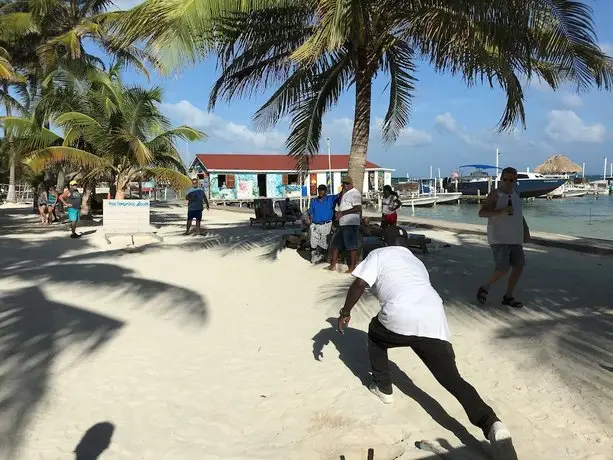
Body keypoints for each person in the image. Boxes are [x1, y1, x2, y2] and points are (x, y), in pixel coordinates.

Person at [336, 225, 515, 459]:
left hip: (399, 317)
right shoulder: (416, 262)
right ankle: (492, 424)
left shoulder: (378, 254)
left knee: (375, 334)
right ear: (406, 242)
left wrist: (345, 312)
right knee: (452, 379)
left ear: (384, 241)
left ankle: (383, 387)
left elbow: (360, 284)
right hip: (434, 319)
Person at [477, 166, 530, 308]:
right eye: (505, 179)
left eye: (512, 180)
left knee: (519, 266)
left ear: (516, 180)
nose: (508, 182)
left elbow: (519, 214)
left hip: (515, 237)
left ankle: (508, 296)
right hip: (499, 238)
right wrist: (500, 211)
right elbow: (482, 213)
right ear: (501, 180)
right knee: (502, 269)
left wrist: (526, 230)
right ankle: (485, 287)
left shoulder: (516, 193)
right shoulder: (495, 194)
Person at [327, 176, 362, 273]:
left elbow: (358, 208)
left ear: (351, 184)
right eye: (344, 184)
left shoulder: (355, 193)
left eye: (347, 184)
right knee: (335, 244)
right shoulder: (346, 193)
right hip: (343, 223)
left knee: (351, 246)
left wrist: (343, 213)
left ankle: (352, 268)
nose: (345, 185)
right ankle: (332, 266)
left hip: (350, 223)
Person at [307, 184, 337, 263]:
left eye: (322, 190)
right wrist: (310, 224)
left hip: (326, 224)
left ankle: (323, 256)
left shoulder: (330, 199)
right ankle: (314, 255)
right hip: (315, 224)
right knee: (313, 241)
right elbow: (311, 213)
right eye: (319, 190)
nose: (320, 191)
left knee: (324, 242)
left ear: (326, 191)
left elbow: (340, 195)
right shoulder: (314, 201)